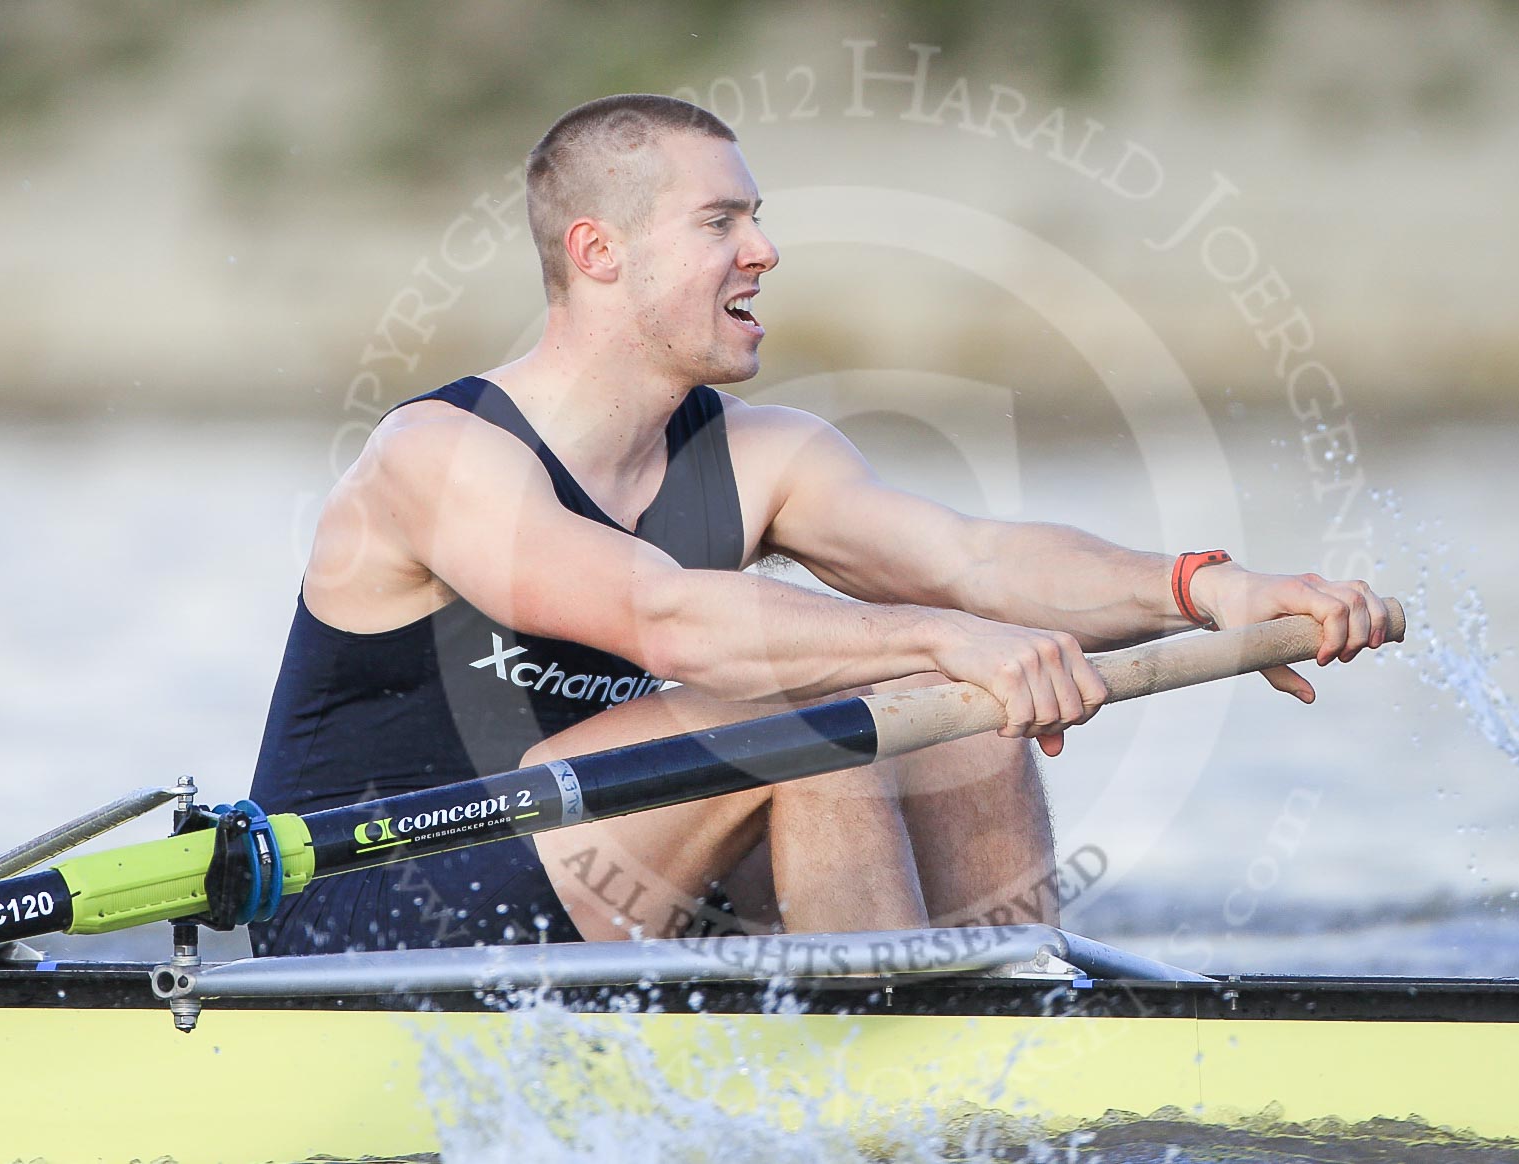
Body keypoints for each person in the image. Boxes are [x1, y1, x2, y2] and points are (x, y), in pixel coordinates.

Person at [247, 94, 1389, 956]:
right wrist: (937, 637)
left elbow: (973, 561)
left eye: (759, 218)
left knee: (964, 716)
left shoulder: (761, 453)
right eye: (721, 221)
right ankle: (875, 1078)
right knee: (809, 713)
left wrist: (1207, 588)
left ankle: (1020, 1027)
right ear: (600, 252)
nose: (764, 251)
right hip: (371, 909)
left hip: (613, 880)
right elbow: (668, 619)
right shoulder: (439, 456)